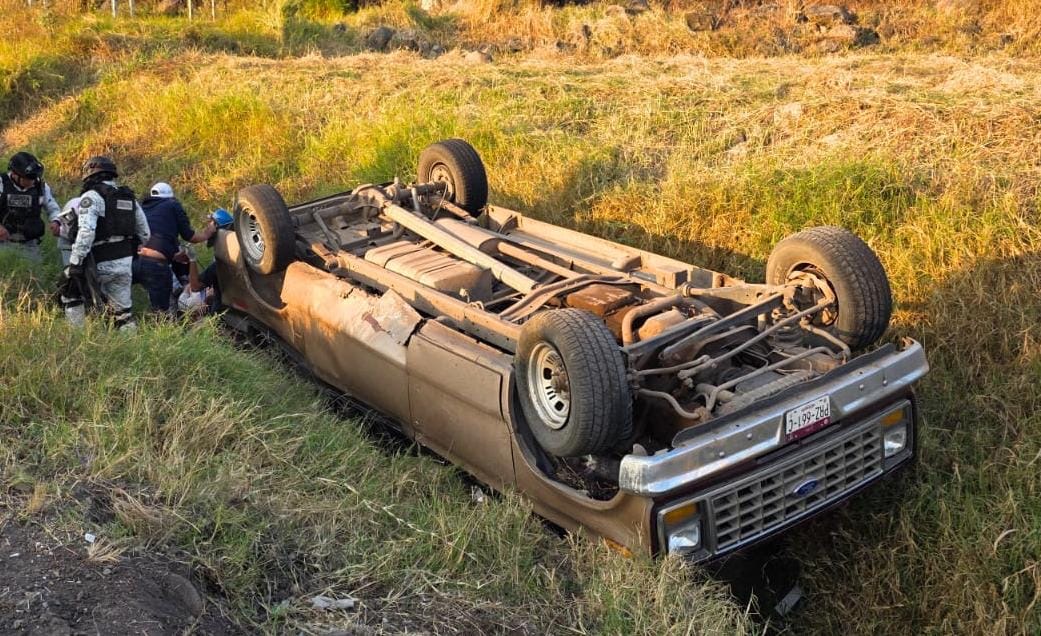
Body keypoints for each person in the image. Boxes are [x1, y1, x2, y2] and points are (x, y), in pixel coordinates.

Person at [61, 156, 150, 331]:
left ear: (88, 176)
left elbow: (86, 232)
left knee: (70, 293)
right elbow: (145, 233)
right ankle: (130, 350)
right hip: (125, 263)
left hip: (98, 261)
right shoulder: (128, 197)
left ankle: (76, 340)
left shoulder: (91, 197)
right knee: (123, 313)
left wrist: (75, 262)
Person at [133, 181, 215, 312]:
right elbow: (190, 236)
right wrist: (207, 233)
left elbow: (152, 239)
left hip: (133, 262)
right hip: (156, 265)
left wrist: (174, 256)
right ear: (170, 197)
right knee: (163, 314)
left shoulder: (141, 207)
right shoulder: (172, 204)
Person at [0, 151, 61, 263]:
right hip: (3, 244)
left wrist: (56, 221)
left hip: (30, 245)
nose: (32, 182)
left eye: (34, 178)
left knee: (34, 277)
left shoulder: (40, 187)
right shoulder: (1, 183)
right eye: (28, 179)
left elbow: (53, 208)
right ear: (14, 174)